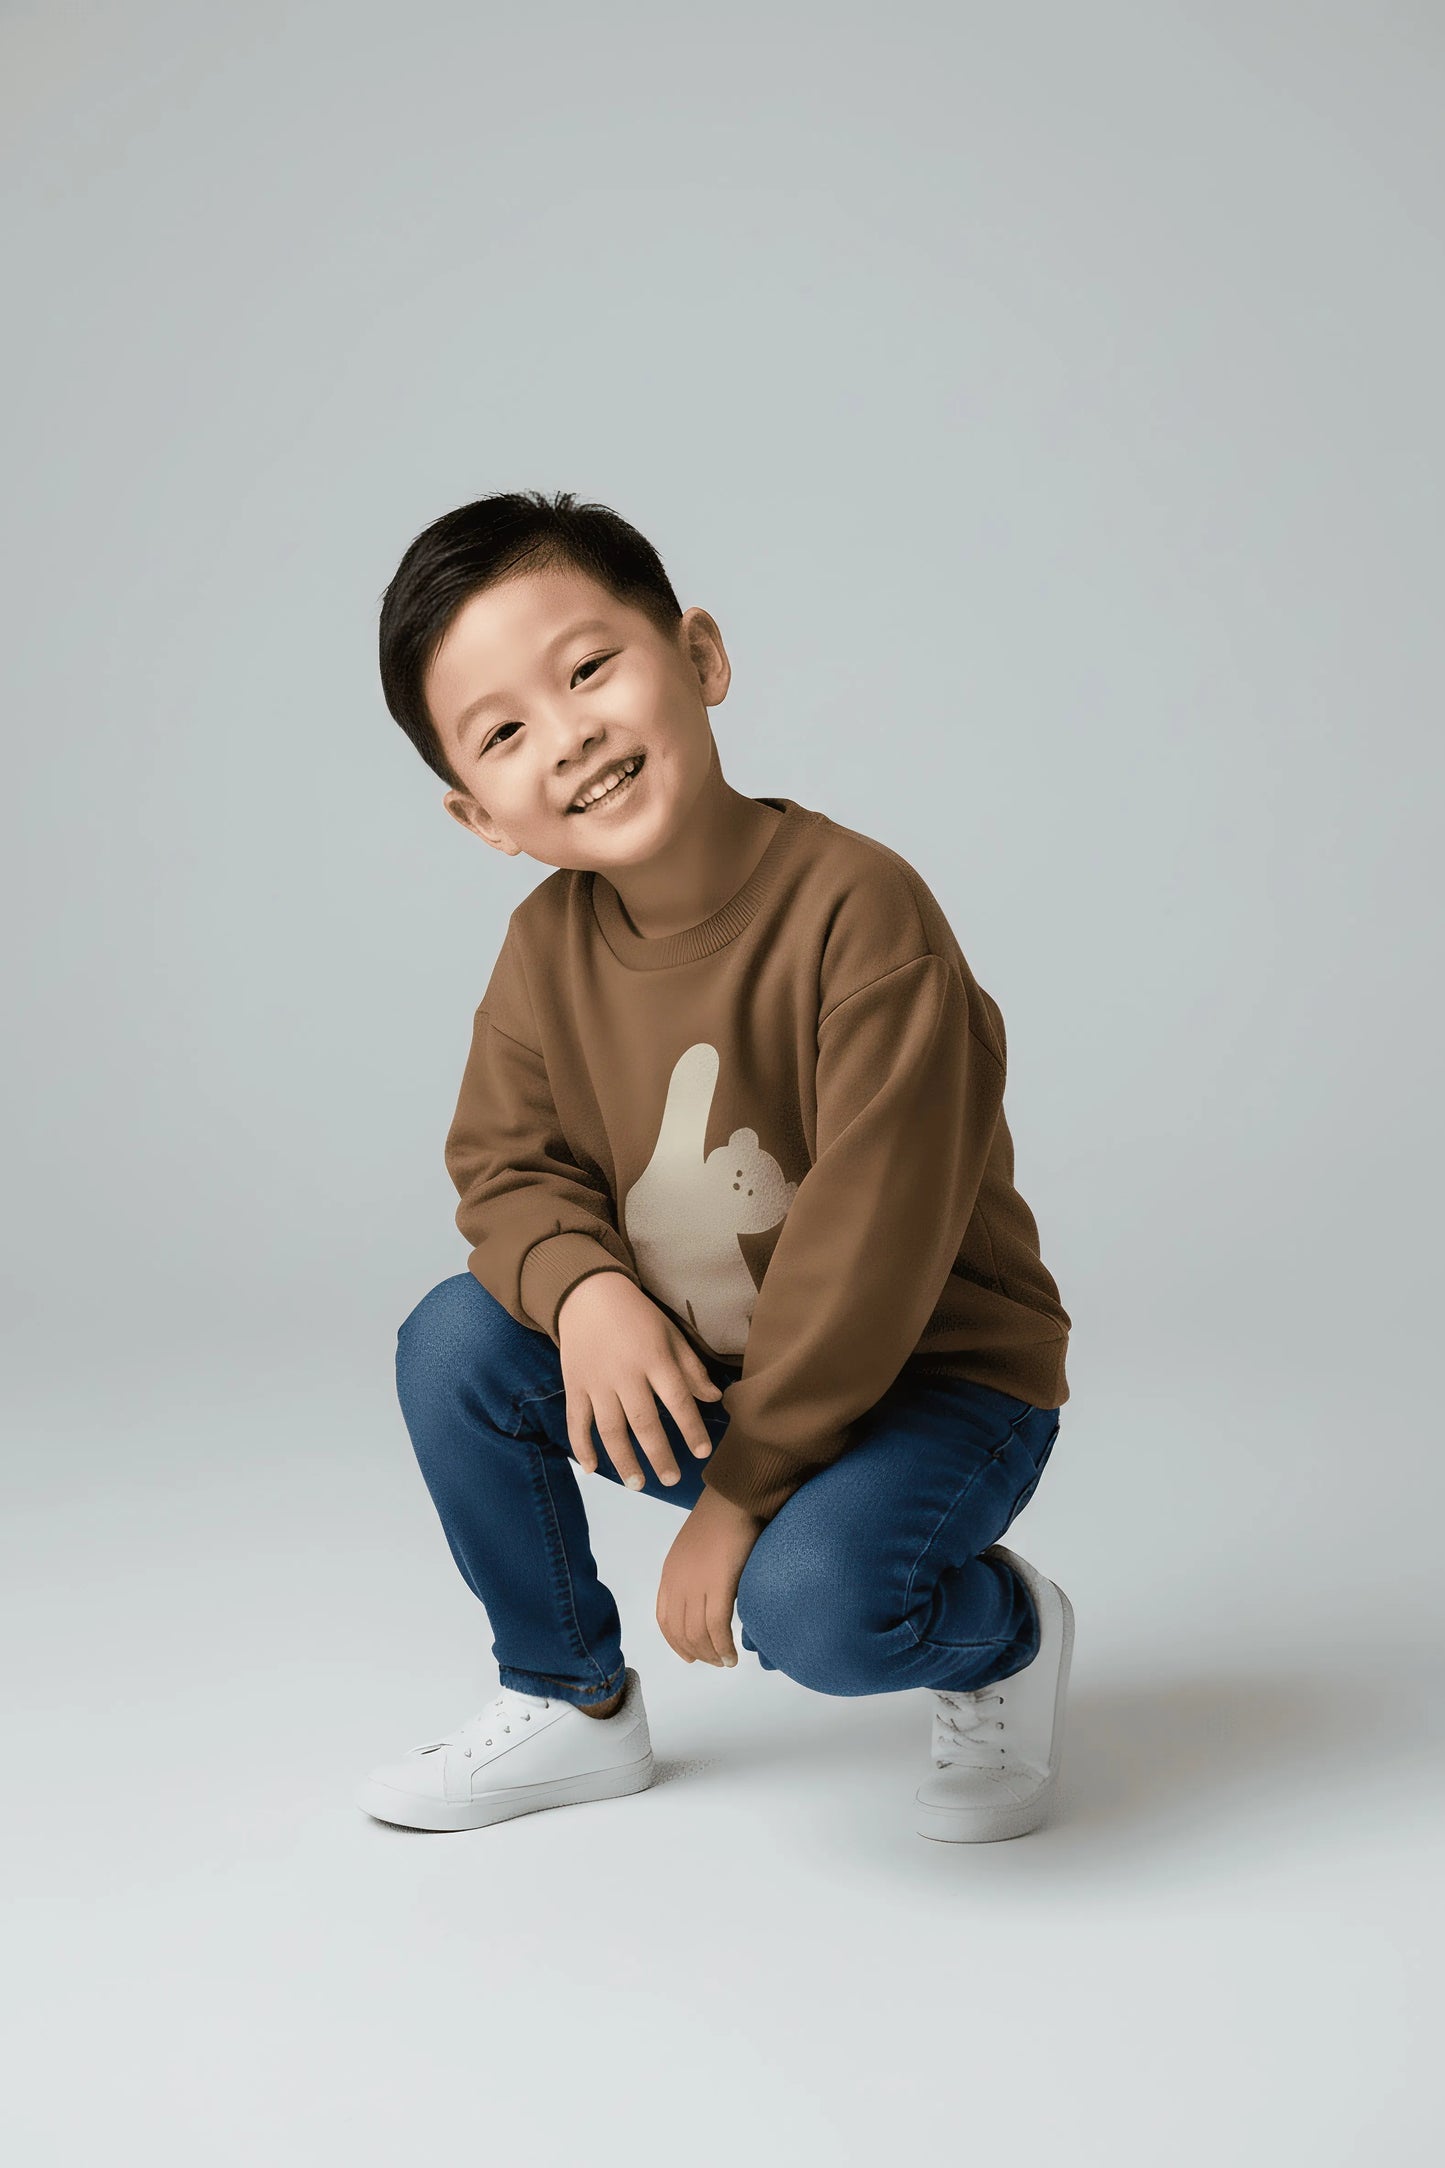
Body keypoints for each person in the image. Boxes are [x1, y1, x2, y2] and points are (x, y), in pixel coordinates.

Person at [355, 489, 1075, 1844]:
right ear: (480, 815)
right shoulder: (542, 948)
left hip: (931, 1387)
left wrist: (737, 1505)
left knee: (811, 1610)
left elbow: (867, 1250)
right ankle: (569, 1701)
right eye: (504, 733)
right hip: (722, 1385)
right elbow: (505, 1170)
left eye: (588, 671)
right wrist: (584, 1297)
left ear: (696, 658)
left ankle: (1006, 1635)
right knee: (456, 1344)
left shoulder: (860, 912)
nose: (566, 736)